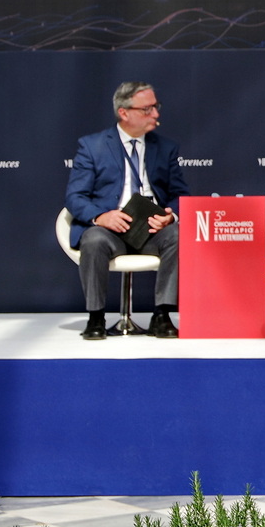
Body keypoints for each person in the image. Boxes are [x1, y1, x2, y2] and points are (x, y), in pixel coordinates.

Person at [65, 81, 190, 341]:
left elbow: (181, 196)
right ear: (124, 113)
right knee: (93, 239)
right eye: (147, 109)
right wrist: (101, 217)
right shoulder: (92, 146)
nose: (155, 114)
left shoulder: (166, 148)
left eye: (156, 107)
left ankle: (162, 315)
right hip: (110, 229)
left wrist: (170, 216)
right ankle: (96, 317)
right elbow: (75, 197)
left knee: (178, 235)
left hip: (152, 230)